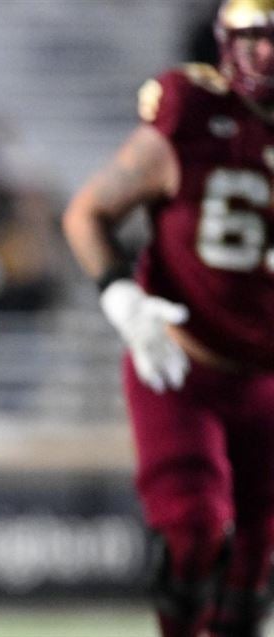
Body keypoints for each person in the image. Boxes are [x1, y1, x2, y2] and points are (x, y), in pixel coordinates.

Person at [62, 2, 273, 635]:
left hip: (266, 379)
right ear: (225, 44)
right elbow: (88, 212)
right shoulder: (193, 115)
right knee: (193, 531)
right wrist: (122, 298)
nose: (267, 54)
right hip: (181, 361)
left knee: (252, 576)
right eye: (254, 38)